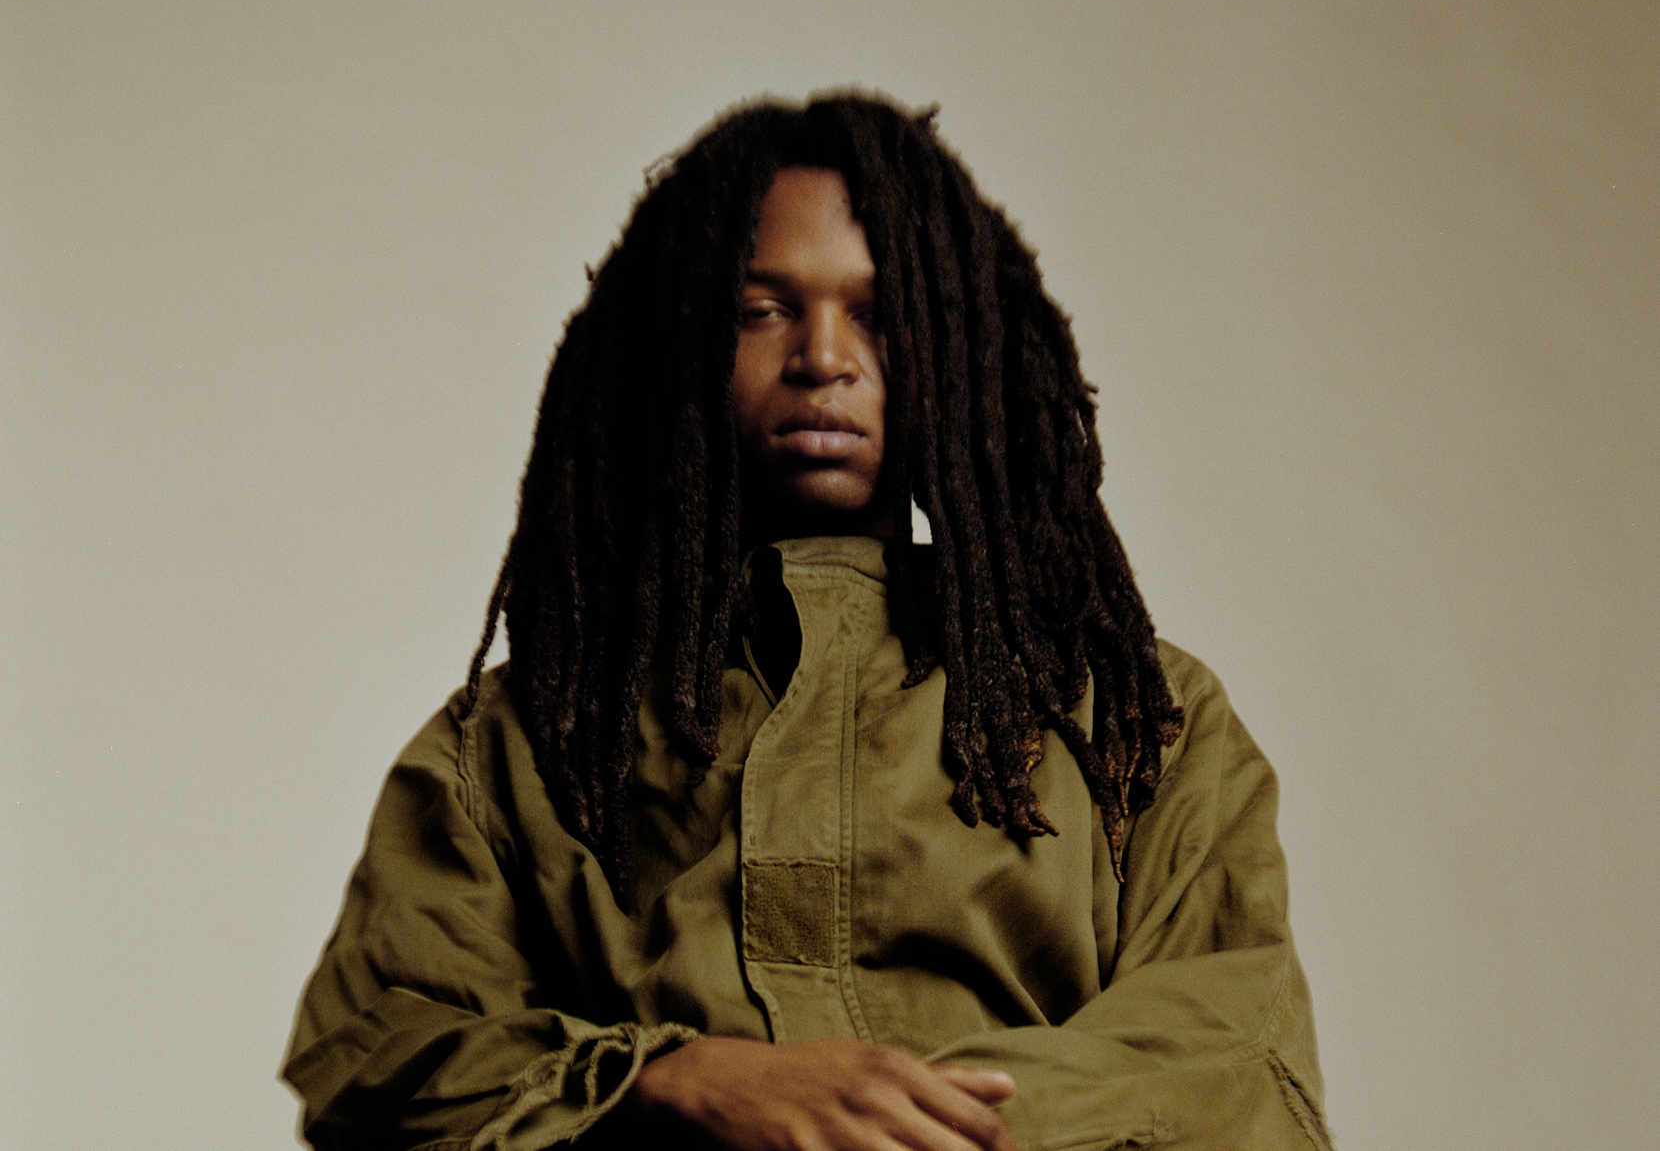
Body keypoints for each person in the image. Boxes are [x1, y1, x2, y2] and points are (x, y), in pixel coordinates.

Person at [283, 93, 1332, 1151]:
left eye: (879, 313)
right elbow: (378, 1064)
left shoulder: (1139, 721)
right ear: (679, 338)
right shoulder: (520, 742)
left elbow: (1240, 1066)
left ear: (962, 346)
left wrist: (904, 1128)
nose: (823, 356)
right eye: (760, 309)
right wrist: (673, 1080)